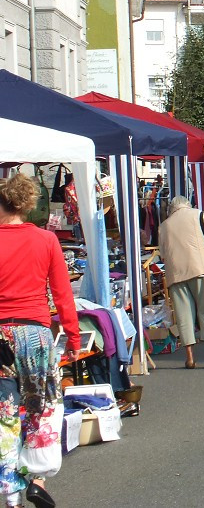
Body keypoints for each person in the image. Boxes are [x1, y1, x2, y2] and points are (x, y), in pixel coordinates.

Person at [0, 173, 79, 508]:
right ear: (28, 205)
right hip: (35, 332)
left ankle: (10, 492)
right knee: (42, 407)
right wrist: (74, 337)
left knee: (5, 412)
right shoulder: (46, 241)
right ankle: (38, 477)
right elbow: (62, 294)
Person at [158, 196, 204, 368]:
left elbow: (163, 254)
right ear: (187, 205)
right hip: (201, 268)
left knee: (183, 316)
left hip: (177, 273)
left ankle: (190, 357)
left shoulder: (164, 226)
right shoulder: (197, 214)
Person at [62, 172, 81, 242]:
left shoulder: (71, 187)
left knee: (77, 224)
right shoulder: (70, 188)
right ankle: (79, 239)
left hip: (75, 211)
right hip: (75, 211)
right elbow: (72, 201)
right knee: (77, 224)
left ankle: (79, 239)